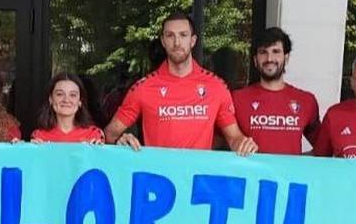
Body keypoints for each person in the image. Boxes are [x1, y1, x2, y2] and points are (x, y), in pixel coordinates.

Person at [103, 12, 257, 155]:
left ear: (193, 40)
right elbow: (109, 134)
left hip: (198, 175)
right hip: (159, 174)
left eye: (183, 35)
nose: (177, 42)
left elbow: (233, 137)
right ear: (163, 41)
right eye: (170, 35)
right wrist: (120, 141)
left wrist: (243, 144)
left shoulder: (216, 87)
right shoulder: (143, 88)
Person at [232, 27, 320, 154]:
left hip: (290, 169)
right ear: (255, 60)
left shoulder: (306, 101)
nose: (269, 58)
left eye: (276, 51)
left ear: (286, 57)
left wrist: (302, 162)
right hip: (250, 168)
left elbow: (324, 148)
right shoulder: (237, 99)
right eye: (263, 52)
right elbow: (220, 143)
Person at [31, 73, 104, 144]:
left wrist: (97, 148)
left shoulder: (93, 135)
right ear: (51, 99)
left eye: (73, 95)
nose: (66, 100)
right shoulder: (39, 137)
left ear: (80, 101)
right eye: (59, 94)